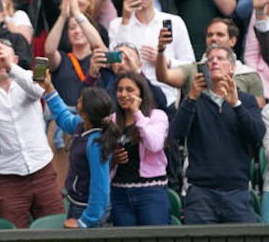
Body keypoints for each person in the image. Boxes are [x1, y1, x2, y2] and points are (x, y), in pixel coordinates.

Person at [0, 37, 64, 228]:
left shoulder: (27, 76)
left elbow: (37, 91)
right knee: (14, 239)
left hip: (42, 170)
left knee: (56, 228)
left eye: (3, 55)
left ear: (16, 59)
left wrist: (10, 67)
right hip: (6, 177)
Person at [170, 44, 265, 224]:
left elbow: (257, 135)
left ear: (232, 67)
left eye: (220, 58)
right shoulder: (194, 100)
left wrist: (236, 105)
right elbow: (176, 133)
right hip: (200, 195)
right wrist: (190, 98)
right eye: (209, 59)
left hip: (237, 193)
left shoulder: (247, 101)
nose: (213, 62)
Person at [40, 75, 120, 228]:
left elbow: (101, 189)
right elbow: (64, 117)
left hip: (89, 210)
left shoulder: (96, 144)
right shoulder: (82, 125)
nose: (77, 101)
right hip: (78, 205)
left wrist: (85, 221)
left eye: (80, 100)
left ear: (84, 113)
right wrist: (49, 88)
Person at [109, 0, 194, 107]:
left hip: (166, 97)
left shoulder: (174, 22)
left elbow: (190, 66)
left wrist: (163, 61)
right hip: (129, 97)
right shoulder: (117, 24)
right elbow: (115, 61)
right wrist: (125, 18)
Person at [156, 17, 266, 106]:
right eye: (210, 35)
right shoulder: (193, 69)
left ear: (232, 40)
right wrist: (161, 51)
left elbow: (258, 109)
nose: (213, 38)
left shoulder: (249, 74)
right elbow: (163, 76)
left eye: (220, 35)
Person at [110, 72, 170, 226]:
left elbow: (155, 145)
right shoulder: (112, 120)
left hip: (151, 192)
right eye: (120, 90)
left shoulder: (157, 116)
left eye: (130, 90)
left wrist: (137, 113)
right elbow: (102, 157)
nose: (123, 94)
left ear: (141, 93)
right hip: (120, 192)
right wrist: (113, 159)